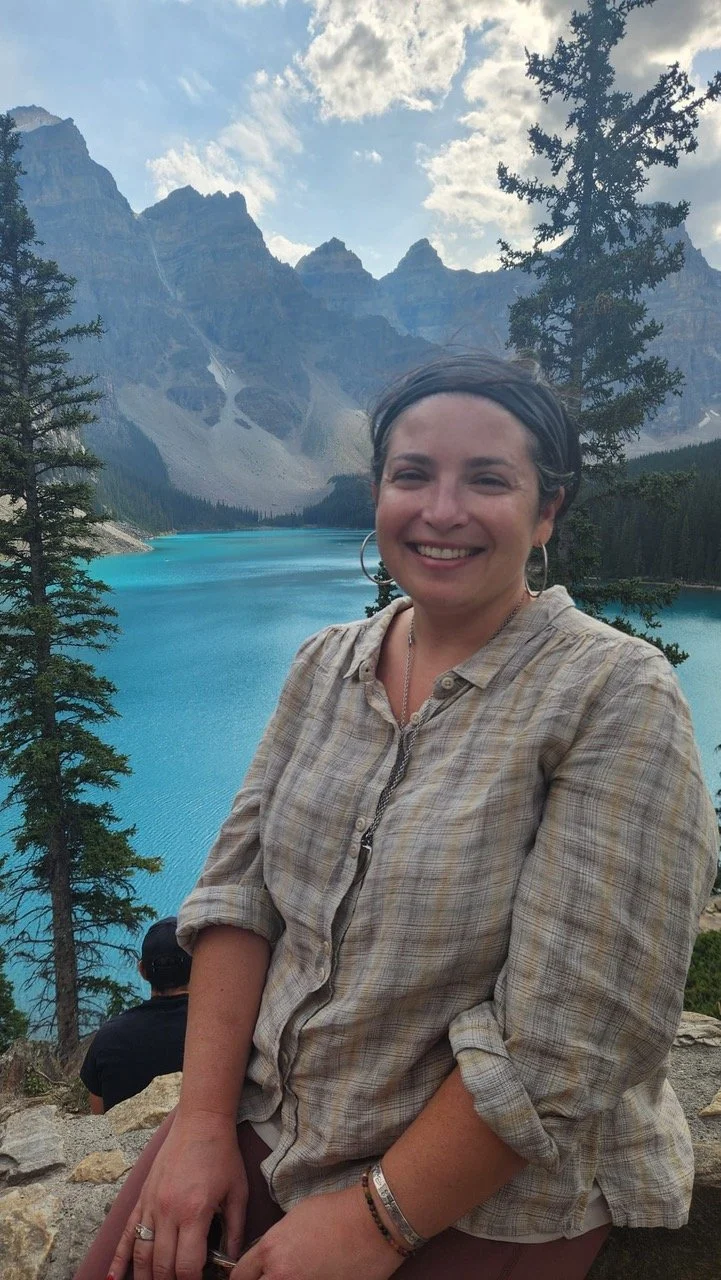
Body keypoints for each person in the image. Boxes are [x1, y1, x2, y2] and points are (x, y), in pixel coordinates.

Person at [78, 354, 717, 1280]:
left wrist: (373, 1224)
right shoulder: (324, 664)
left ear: (546, 512)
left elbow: (575, 1034)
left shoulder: (613, 692)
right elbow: (237, 897)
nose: (440, 511)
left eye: (487, 480)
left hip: (483, 1196)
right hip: (267, 1128)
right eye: (411, 475)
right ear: (378, 492)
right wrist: (202, 1124)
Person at [80, 917, 191, 1113]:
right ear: (198, 967)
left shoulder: (108, 1037)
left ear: (142, 970)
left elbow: (98, 1118)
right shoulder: (221, 1032)